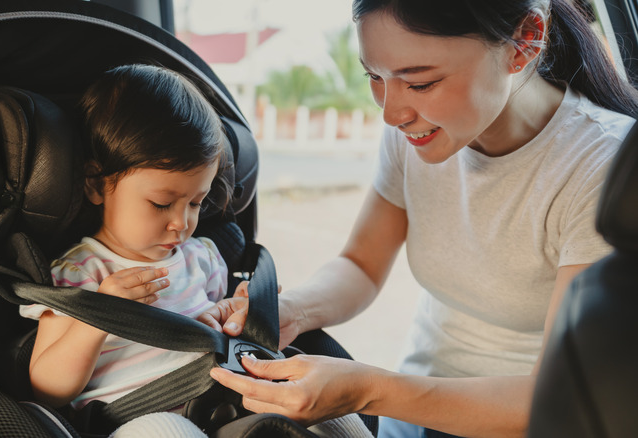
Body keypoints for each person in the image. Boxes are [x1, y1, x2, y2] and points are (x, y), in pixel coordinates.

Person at [199, 1, 638, 437]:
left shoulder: (603, 168)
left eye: (422, 83)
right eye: (375, 76)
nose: (392, 113)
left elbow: (552, 397)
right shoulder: (416, 134)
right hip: (413, 413)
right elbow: (361, 266)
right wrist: (289, 310)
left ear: (523, 42)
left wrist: (367, 390)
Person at [20, 64, 232, 437]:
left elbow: (222, 318)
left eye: (197, 203)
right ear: (97, 185)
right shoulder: (81, 272)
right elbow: (48, 387)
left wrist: (231, 313)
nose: (181, 223)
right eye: (162, 203)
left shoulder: (203, 258)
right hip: (141, 419)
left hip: (223, 401)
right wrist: (100, 315)